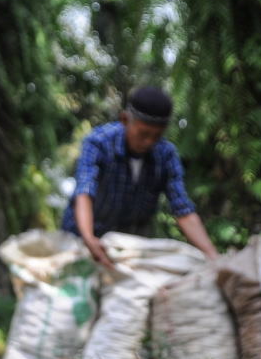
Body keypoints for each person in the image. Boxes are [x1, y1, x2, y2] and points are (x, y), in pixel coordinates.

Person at [61, 86, 220, 268]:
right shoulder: (98, 143)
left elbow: (182, 209)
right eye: (143, 134)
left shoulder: (166, 155)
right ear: (125, 119)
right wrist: (89, 238)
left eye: (157, 136)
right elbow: (84, 191)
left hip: (128, 250)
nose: (149, 142)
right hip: (80, 240)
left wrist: (212, 255)